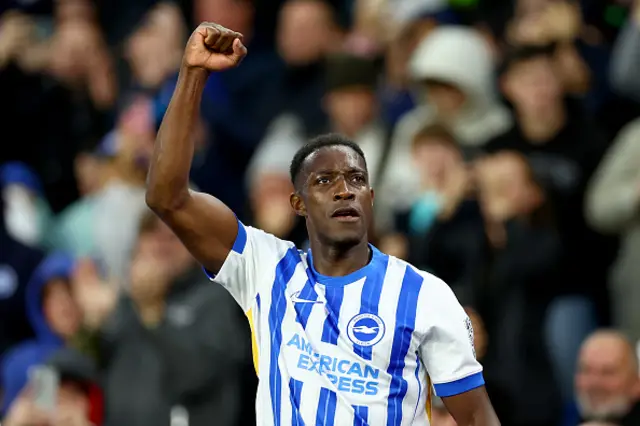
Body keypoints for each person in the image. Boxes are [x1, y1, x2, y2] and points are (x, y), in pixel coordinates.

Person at [146, 21, 501, 426]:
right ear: (298, 204)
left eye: (356, 180)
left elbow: (478, 420)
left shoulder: (425, 296)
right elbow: (167, 197)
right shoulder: (266, 268)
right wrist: (193, 74)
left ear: (371, 198)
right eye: (324, 181)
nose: (344, 190)